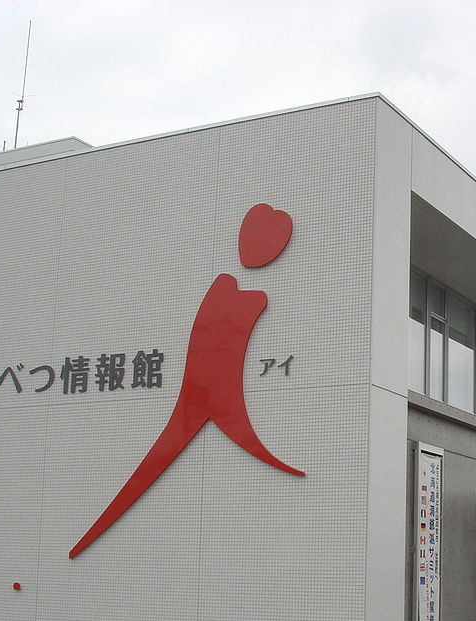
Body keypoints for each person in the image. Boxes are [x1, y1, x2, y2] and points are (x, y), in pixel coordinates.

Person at [70, 204, 303, 558]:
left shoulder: (238, 290)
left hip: (210, 398)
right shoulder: (230, 286)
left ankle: (87, 538)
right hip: (205, 397)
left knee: (160, 457)